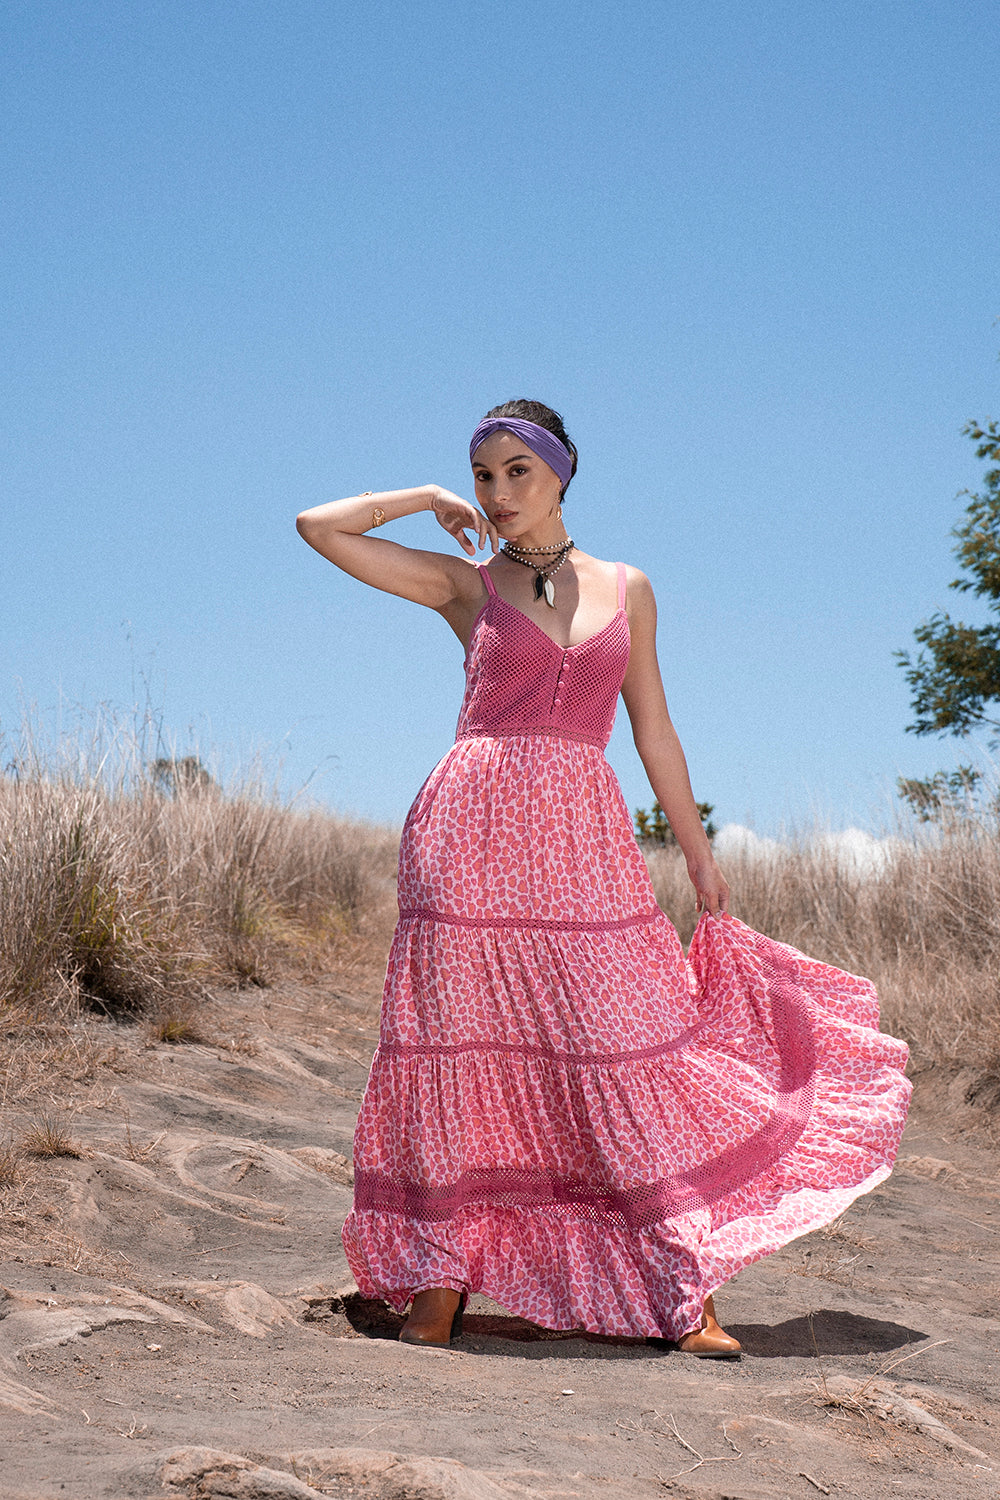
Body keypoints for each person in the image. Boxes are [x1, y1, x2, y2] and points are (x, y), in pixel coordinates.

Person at [296, 399, 911, 1357]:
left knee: (630, 1043)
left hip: (583, 832)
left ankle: (684, 1281)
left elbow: (651, 724)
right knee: (460, 1047)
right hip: (471, 830)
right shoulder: (466, 585)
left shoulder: (629, 587)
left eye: (517, 472)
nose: (498, 493)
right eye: (483, 474)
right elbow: (317, 528)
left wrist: (697, 850)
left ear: (562, 473)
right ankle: (439, 1283)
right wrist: (420, 497)